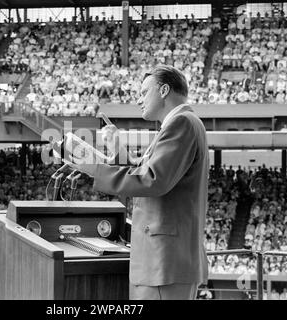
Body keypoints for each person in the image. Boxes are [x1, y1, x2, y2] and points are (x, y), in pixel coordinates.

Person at [68, 65, 209, 300]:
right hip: (164, 261)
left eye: (144, 92)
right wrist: (118, 149)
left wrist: (94, 168)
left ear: (164, 90)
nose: (139, 100)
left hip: (164, 262)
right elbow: (149, 172)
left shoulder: (181, 123)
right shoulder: (182, 123)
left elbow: (151, 180)